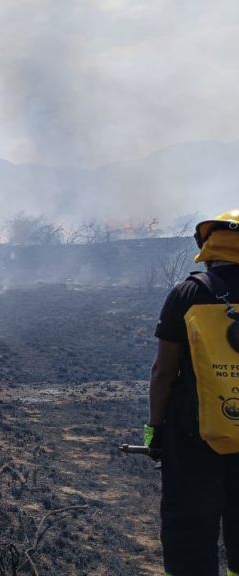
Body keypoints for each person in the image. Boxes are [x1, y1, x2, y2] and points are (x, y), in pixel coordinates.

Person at [146, 209, 239, 576]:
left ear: (209, 248)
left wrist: (155, 430)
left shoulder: (189, 293)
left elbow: (164, 371)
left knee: (189, 532)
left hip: (192, 436)